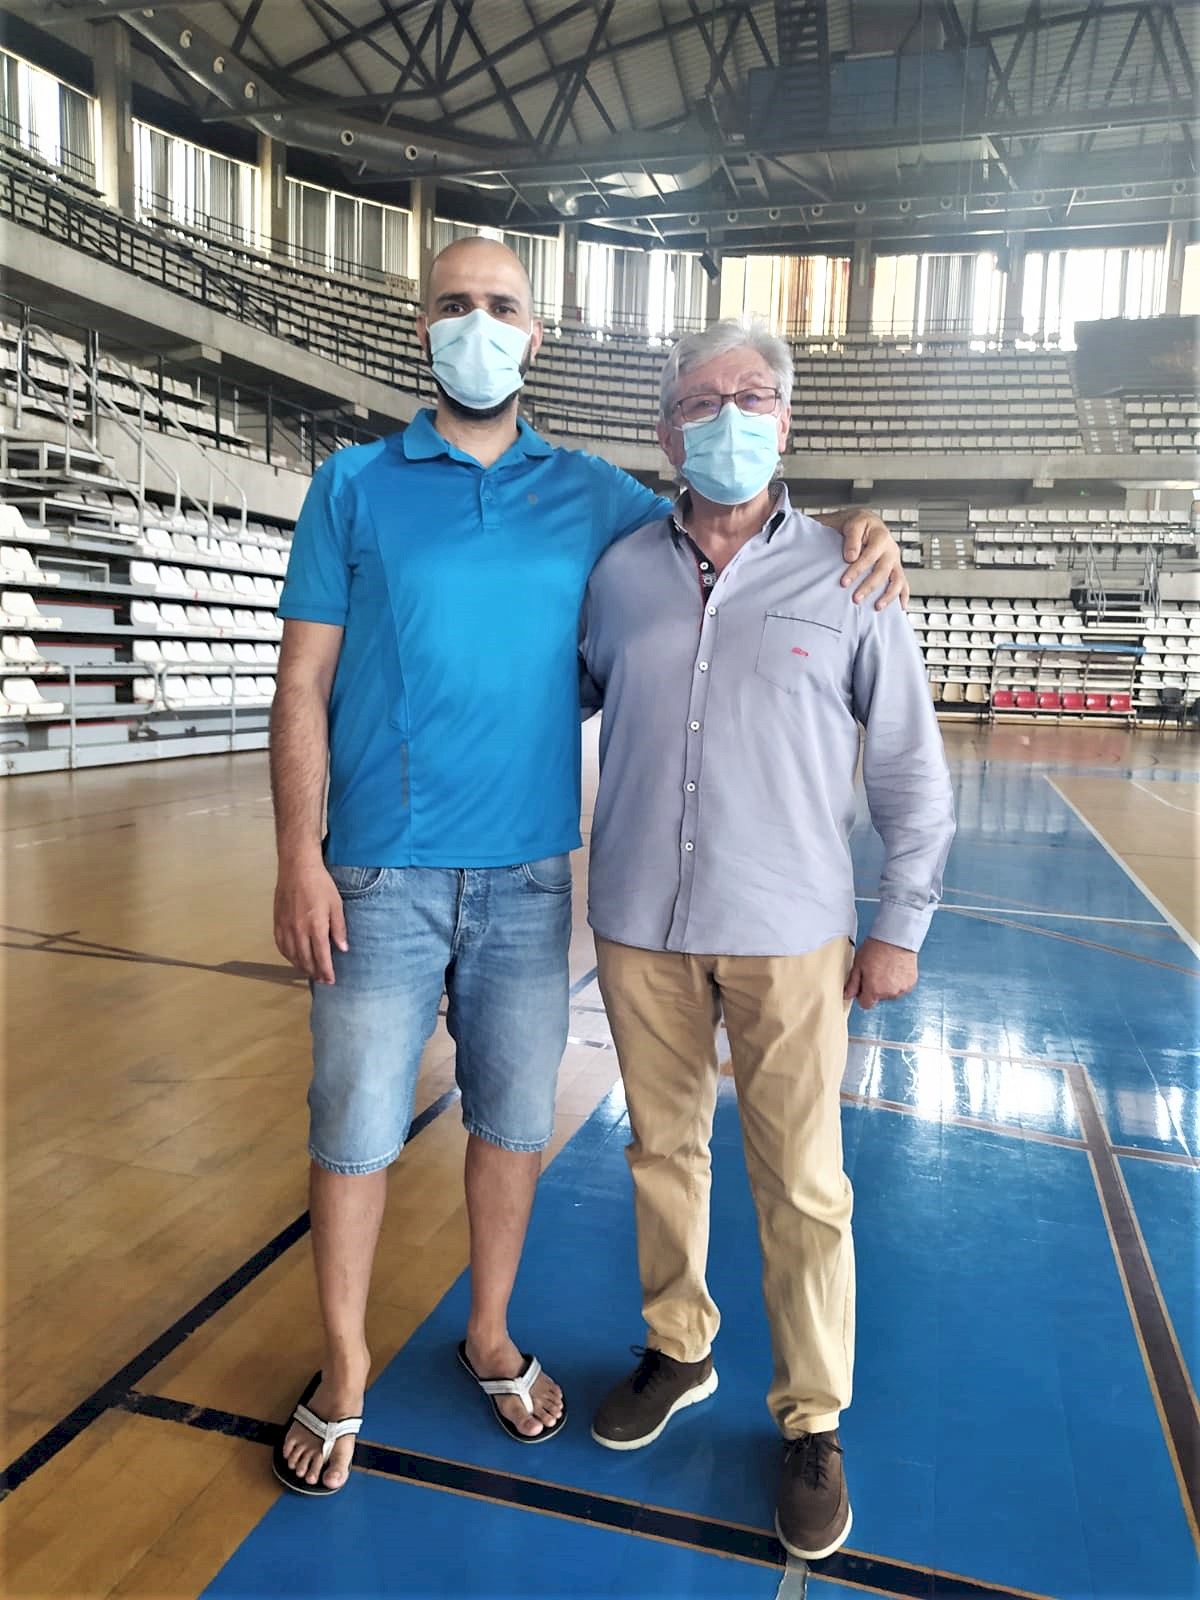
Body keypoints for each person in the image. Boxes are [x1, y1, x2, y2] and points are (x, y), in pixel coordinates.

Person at [269, 239, 908, 1495]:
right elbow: (302, 682)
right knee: (351, 1135)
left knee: (512, 1127)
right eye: (455, 305)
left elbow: (732, 525)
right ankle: (343, 1370)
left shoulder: (595, 496)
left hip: (528, 881)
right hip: (378, 873)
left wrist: (855, 526)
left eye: (501, 306)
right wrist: (300, 853)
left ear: (535, 333)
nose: (478, 324)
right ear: (422, 326)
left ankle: (490, 1334)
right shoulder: (351, 485)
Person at [580, 321, 956, 1561]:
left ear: (786, 423)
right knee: (661, 1152)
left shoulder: (852, 575)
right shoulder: (617, 573)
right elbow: (558, 698)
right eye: (702, 400)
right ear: (666, 432)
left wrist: (899, 924)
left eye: (752, 396)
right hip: (640, 925)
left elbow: (909, 768)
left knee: (803, 1184)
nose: (728, 416)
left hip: (792, 933)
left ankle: (811, 1417)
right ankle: (677, 1346)